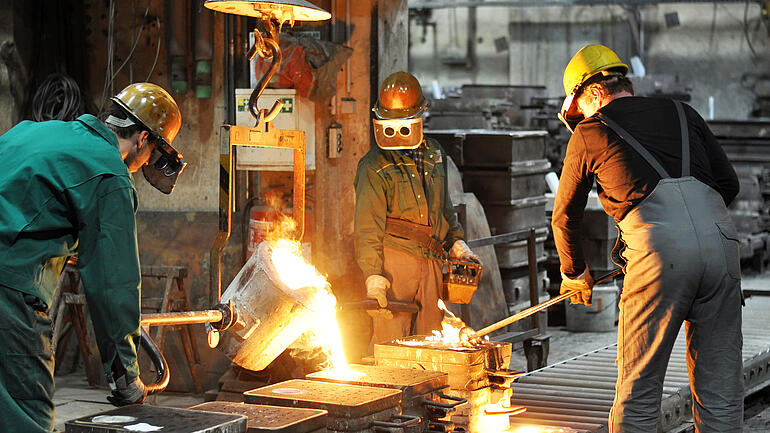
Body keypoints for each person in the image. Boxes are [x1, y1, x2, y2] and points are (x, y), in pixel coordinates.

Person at [552, 44, 742, 433]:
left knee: (639, 390)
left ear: (593, 93)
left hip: (659, 256)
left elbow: (565, 216)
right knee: (721, 391)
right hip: (722, 248)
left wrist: (575, 273)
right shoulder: (683, 113)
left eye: (581, 111)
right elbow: (729, 184)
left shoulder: (590, 131)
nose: (583, 118)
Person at [0, 82, 186, 432]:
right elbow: (113, 286)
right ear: (143, 139)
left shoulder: (34, 132)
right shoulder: (109, 174)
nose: (144, 163)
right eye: (152, 154)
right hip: (8, 295)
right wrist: (125, 375)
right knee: (25, 413)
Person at [354, 71, 479, 344]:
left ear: (421, 116)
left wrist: (457, 243)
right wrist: (374, 275)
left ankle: (430, 389)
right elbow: (367, 227)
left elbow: (444, 208)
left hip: (433, 261)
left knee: (433, 340)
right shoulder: (374, 165)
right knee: (392, 343)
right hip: (395, 266)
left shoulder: (434, 153)